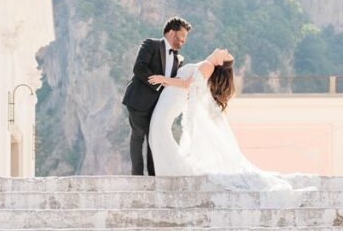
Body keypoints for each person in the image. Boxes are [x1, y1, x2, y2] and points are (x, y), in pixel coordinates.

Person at [146, 48, 292, 191]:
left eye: (226, 54)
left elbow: (188, 84)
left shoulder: (208, 66)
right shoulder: (206, 65)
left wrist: (163, 79)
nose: (225, 50)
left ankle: (170, 171)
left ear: (221, 62)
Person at [121, 17, 190, 176]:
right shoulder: (150, 44)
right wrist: (158, 83)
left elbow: (173, 82)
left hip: (158, 106)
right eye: (182, 36)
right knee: (138, 136)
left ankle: (153, 175)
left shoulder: (176, 58)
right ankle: (137, 176)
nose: (184, 40)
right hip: (138, 101)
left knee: (154, 138)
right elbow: (139, 68)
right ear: (172, 33)